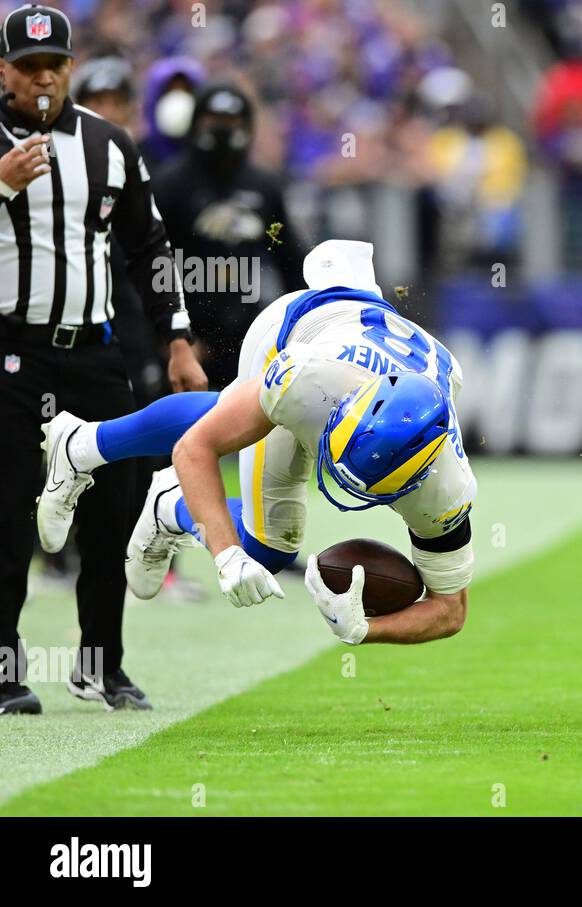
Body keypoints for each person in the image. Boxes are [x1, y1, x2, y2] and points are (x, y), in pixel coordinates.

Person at [38, 239, 474, 651]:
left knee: (262, 526)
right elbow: (196, 447)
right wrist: (226, 555)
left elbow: (451, 612)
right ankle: (115, 465)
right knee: (260, 524)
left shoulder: (445, 489)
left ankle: (131, 477)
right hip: (301, 328)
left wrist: (365, 629)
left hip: (358, 343)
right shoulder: (313, 381)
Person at [0, 5, 206, 717]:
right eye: (27, 67)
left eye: (53, 64)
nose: (43, 78)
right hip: (12, 352)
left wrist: (177, 339)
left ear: (71, 66)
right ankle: (3, 669)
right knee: (8, 512)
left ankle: (100, 664)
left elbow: (150, 248)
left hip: (95, 355)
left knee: (113, 509)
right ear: (4, 71)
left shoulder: (109, 145)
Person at [152, 81, 306, 390]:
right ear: (196, 123)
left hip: (246, 336)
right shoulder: (169, 184)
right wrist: (170, 339)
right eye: (213, 122)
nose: (223, 131)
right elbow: (150, 265)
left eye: (232, 122)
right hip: (186, 338)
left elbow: (291, 261)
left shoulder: (263, 186)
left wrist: (300, 328)